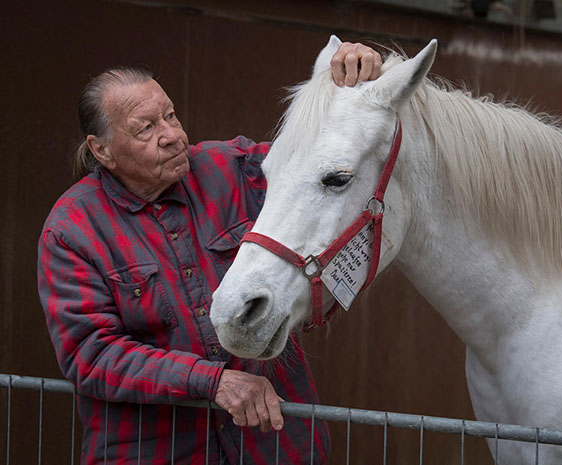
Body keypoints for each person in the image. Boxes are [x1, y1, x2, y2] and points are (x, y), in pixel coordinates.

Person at [37, 42, 382, 465]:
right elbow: (90, 354)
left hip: (274, 448)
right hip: (155, 452)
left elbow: (322, 167)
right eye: (145, 129)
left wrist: (343, 77)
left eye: (170, 115)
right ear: (101, 150)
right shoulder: (73, 230)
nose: (172, 136)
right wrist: (211, 382)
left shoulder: (232, 169)